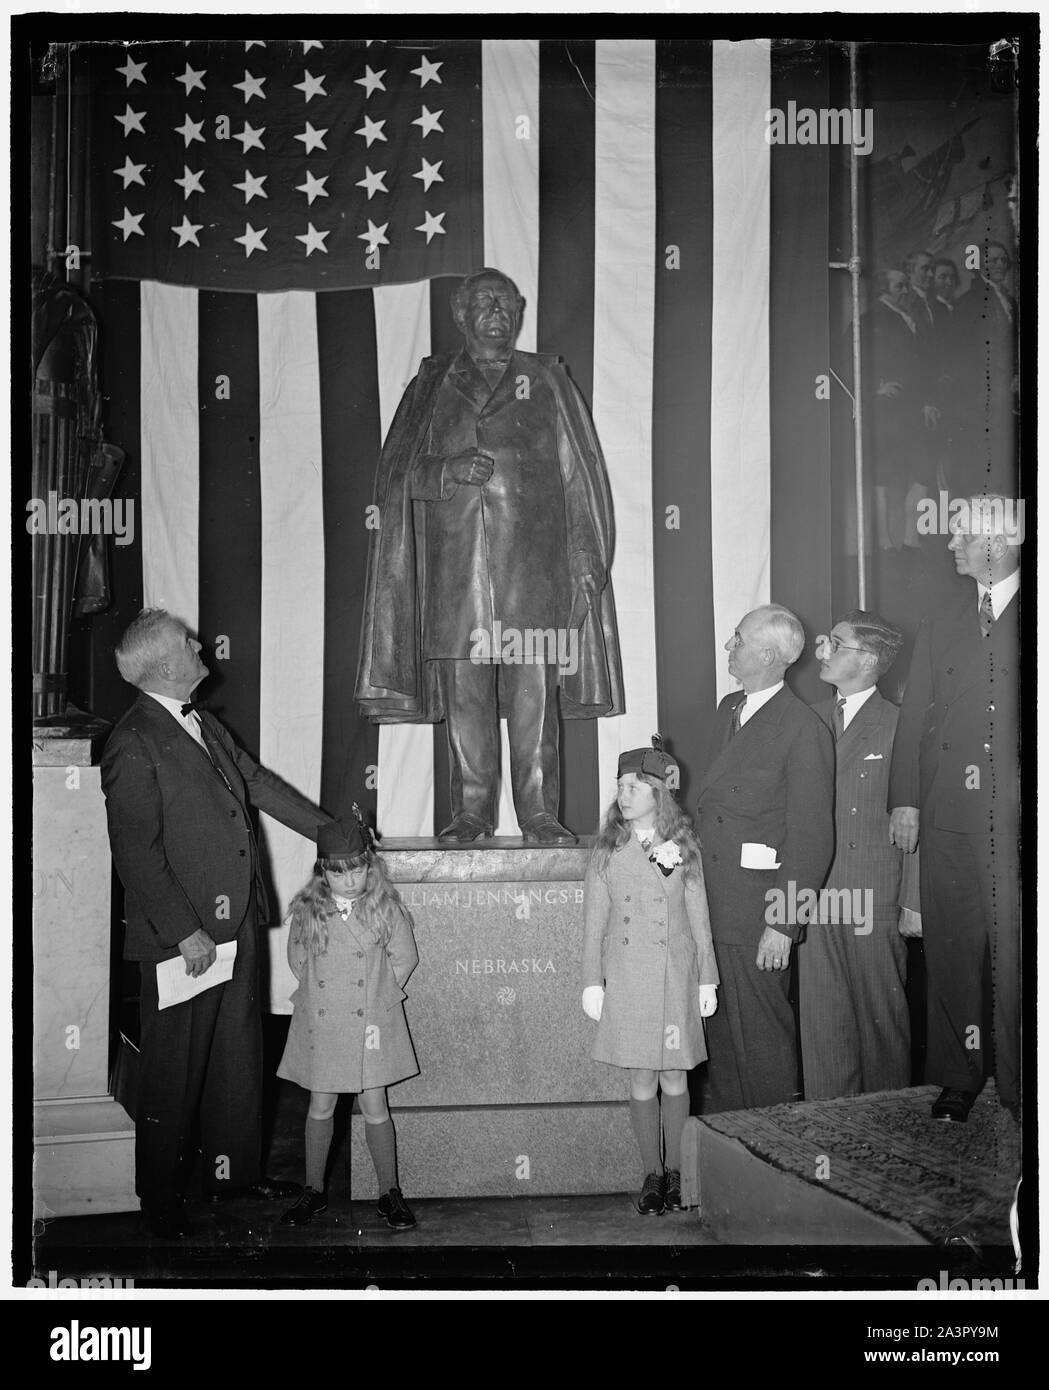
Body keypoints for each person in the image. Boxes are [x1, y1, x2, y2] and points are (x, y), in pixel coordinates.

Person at [355, 267, 624, 844]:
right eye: (483, 301)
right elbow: (394, 474)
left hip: (534, 571)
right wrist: (444, 470)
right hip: (458, 572)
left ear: (521, 309)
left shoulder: (545, 379)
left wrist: (584, 552)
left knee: (535, 697)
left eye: (506, 302)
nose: (496, 311)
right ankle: (472, 813)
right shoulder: (432, 382)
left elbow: (579, 474)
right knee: (467, 696)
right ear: (460, 314)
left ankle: (538, 814)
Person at [101, 609, 331, 1240]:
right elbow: (137, 853)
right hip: (188, 940)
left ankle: (234, 1175)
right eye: (187, 643)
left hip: (235, 925)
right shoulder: (133, 741)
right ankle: (163, 1200)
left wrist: (331, 831)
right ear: (164, 666)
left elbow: (256, 784)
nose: (199, 647)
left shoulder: (202, 722)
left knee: (236, 1055)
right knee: (174, 1067)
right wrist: (183, 930)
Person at [888, 496, 1020, 1122]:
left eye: (961, 535)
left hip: (1020, 821)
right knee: (951, 950)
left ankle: (1026, 1089)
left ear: (997, 542)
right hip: (946, 815)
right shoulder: (941, 621)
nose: (950, 546)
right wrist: (907, 800)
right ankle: (958, 1078)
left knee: (1021, 956)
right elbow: (917, 717)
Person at [695, 605, 834, 1112]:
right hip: (711, 901)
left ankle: (778, 1155)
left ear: (770, 655)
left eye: (738, 639)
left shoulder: (802, 728)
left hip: (757, 913)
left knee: (764, 1041)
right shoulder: (729, 707)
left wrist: (783, 922)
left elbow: (812, 836)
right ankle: (733, 1153)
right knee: (723, 1039)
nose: (729, 646)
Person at [581, 740, 718, 1216]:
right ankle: (652, 1174)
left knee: (675, 1076)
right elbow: (594, 922)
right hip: (629, 975)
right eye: (620, 785)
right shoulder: (606, 850)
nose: (624, 793)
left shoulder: (683, 846)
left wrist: (707, 979)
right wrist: (591, 981)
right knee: (642, 1075)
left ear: (659, 792)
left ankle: (679, 1173)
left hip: (676, 974)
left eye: (635, 786)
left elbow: (699, 917)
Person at [277, 817, 420, 1230]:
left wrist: (377, 998)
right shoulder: (308, 911)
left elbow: (404, 958)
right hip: (323, 1023)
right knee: (320, 1106)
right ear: (323, 872)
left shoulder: (385, 907)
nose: (350, 880)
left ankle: (389, 1193)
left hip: (371, 1022)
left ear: (369, 867)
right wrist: (323, 998)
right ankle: (314, 1190)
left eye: (357, 870)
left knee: (376, 1107)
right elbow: (299, 961)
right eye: (339, 873)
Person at [798, 612, 910, 1099]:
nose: (822, 651)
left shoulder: (900, 725)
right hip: (815, 895)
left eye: (835, 644)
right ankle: (830, 1132)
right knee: (823, 1023)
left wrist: (913, 900)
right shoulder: (809, 722)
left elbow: (916, 816)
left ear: (866, 661)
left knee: (881, 1024)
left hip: (875, 893)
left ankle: (890, 1129)